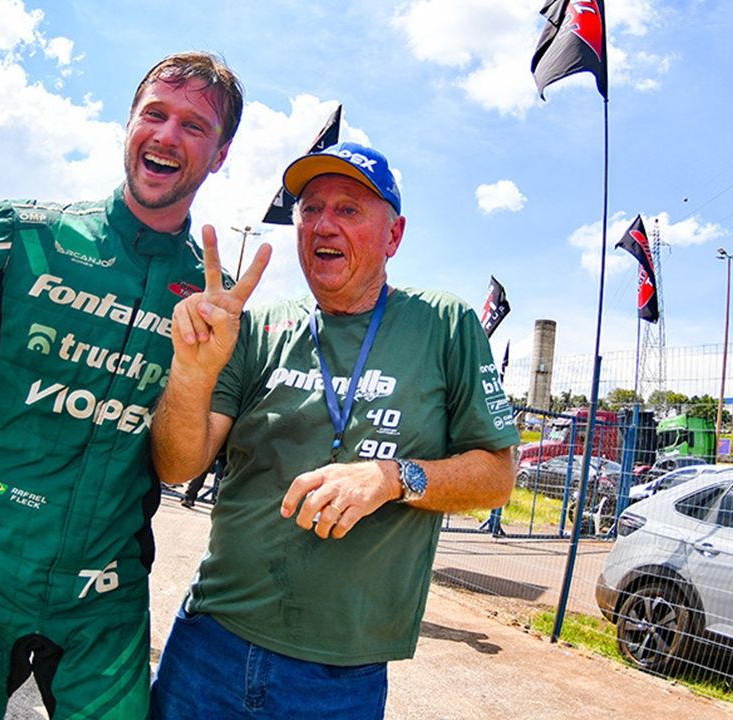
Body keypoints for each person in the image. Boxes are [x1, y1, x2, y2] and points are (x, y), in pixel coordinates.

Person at [0, 51, 263, 719]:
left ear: (220, 154)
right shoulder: (26, 235)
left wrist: (198, 373)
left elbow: (179, 464)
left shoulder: (214, 307)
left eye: (194, 126)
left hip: (103, 601)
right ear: (129, 125)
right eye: (155, 114)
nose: (168, 136)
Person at [150, 141, 521, 718]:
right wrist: (192, 374)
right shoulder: (258, 328)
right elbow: (178, 467)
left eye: (349, 209)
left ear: (393, 236)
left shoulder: (444, 325)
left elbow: (497, 478)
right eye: (311, 208)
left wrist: (391, 478)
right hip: (209, 646)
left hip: (338, 677)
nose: (323, 223)